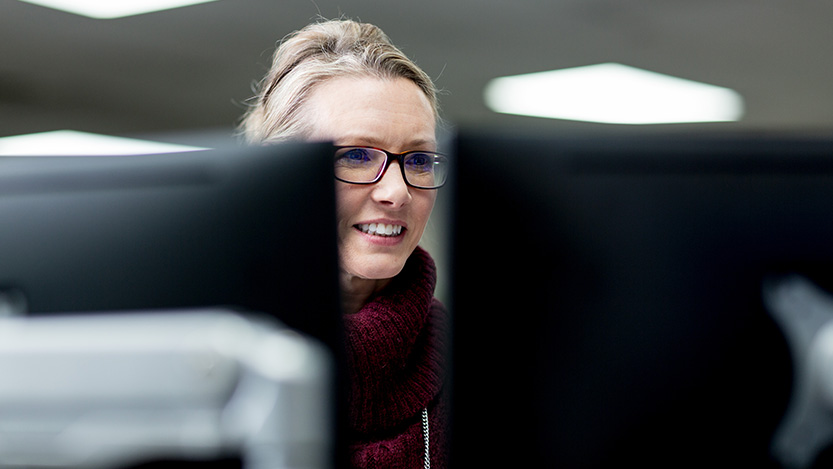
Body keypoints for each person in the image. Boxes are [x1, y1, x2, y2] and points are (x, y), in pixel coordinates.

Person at [239, 19, 449, 468]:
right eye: (356, 155)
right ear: (278, 174)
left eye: (419, 159)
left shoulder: (496, 369)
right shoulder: (213, 356)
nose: (397, 192)